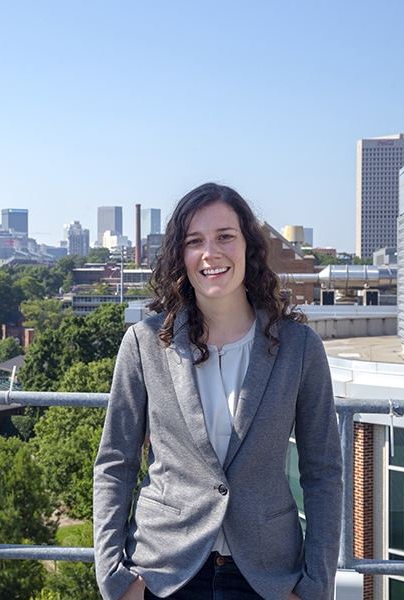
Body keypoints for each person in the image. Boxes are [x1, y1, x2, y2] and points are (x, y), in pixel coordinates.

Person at [93, 183, 343, 600]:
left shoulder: (300, 348)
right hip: (162, 575)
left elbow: (323, 473)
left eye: (225, 236)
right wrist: (115, 579)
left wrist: (316, 586)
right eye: (195, 242)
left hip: (268, 577)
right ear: (181, 256)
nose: (211, 253)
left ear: (249, 246)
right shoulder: (143, 344)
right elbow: (115, 463)